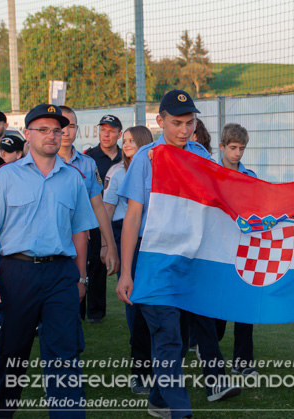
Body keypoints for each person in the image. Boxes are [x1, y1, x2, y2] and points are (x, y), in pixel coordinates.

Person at [116, 90, 240, 419]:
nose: (184, 130)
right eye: (176, 123)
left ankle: (158, 399)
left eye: (190, 122)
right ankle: (178, 410)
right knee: (168, 336)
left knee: (180, 341)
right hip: (155, 259)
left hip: (191, 259)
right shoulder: (147, 157)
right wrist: (126, 272)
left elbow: (217, 199)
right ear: (160, 121)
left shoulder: (199, 153)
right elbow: (131, 218)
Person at [0, 104, 98, 419]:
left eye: (57, 130)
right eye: (43, 129)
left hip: (60, 275)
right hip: (16, 273)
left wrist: (81, 278)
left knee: (64, 356)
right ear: (27, 134)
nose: (52, 136)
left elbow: (80, 233)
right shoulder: (5, 176)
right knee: (12, 352)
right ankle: (4, 412)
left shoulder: (73, 178)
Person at [103, 125, 153, 394]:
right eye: (125, 141)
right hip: (128, 235)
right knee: (136, 304)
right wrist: (107, 244)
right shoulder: (118, 172)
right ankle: (140, 370)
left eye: (132, 140)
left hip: (155, 240)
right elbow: (108, 209)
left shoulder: (159, 169)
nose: (126, 145)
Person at [58, 106, 119, 320]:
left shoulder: (87, 163)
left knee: (79, 287)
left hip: (82, 238)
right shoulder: (38, 163)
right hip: (51, 242)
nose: (66, 131)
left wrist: (108, 244)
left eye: (71, 126)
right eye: (61, 126)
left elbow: (99, 206)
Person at [213, 123, 258, 374]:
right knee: (217, 307)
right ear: (222, 146)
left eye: (241, 148)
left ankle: (243, 362)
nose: (237, 153)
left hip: (244, 249)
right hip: (216, 250)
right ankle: (207, 347)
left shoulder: (250, 177)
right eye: (233, 148)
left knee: (244, 306)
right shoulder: (210, 173)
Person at [83, 114, 123, 322]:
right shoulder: (89, 157)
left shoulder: (126, 157)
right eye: (103, 130)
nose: (106, 134)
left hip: (121, 220)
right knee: (94, 265)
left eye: (111, 130)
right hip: (95, 220)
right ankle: (94, 312)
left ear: (119, 133)